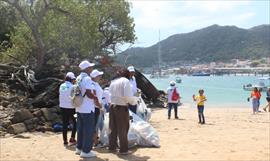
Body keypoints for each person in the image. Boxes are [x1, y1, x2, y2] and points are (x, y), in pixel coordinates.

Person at [108, 69, 137, 155]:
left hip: (112, 106)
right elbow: (127, 95)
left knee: (113, 128)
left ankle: (112, 147)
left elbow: (109, 94)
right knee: (123, 128)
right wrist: (134, 101)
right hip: (121, 107)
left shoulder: (113, 82)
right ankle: (123, 149)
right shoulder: (125, 81)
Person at [75, 60, 98, 158]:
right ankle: (86, 151)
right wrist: (95, 97)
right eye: (90, 67)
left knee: (80, 129)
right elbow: (88, 93)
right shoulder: (87, 78)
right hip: (87, 108)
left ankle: (79, 148)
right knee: (88, 129)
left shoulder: (78, 78)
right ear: (87, 68)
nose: (91, 69)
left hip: (79, 106)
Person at [59, 72, 77, 147]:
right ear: (71, 79)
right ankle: (72, 138)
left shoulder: (62, 86)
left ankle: (65, 141)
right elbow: (75, 97)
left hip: (63, 107)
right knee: (75, 123)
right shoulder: (73, 87)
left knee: (65, 124)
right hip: (71, 108)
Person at [90, 69, 104, 147]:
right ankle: (95, 142)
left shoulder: (96, 84)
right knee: (94, 125)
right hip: (95, 107)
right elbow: (94, 97)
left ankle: (95, 141)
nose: (100, 77)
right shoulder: (93, 85)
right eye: (99, 75)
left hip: (97, 107)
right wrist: (99, 106)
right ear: (95, 77)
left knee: (96, 125)